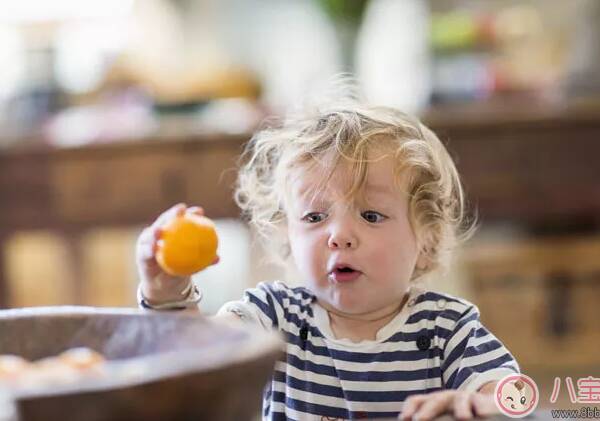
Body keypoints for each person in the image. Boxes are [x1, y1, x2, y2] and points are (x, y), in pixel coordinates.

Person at [135, 92, 519, 420]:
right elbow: (195, 360)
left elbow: (517, 398)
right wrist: (167, 292)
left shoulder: (447, 329)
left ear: (426, 239)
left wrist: (479, 405)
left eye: (371, 215)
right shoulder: (273, 316)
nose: (338, 236)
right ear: (289, 232)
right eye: (315, 217)